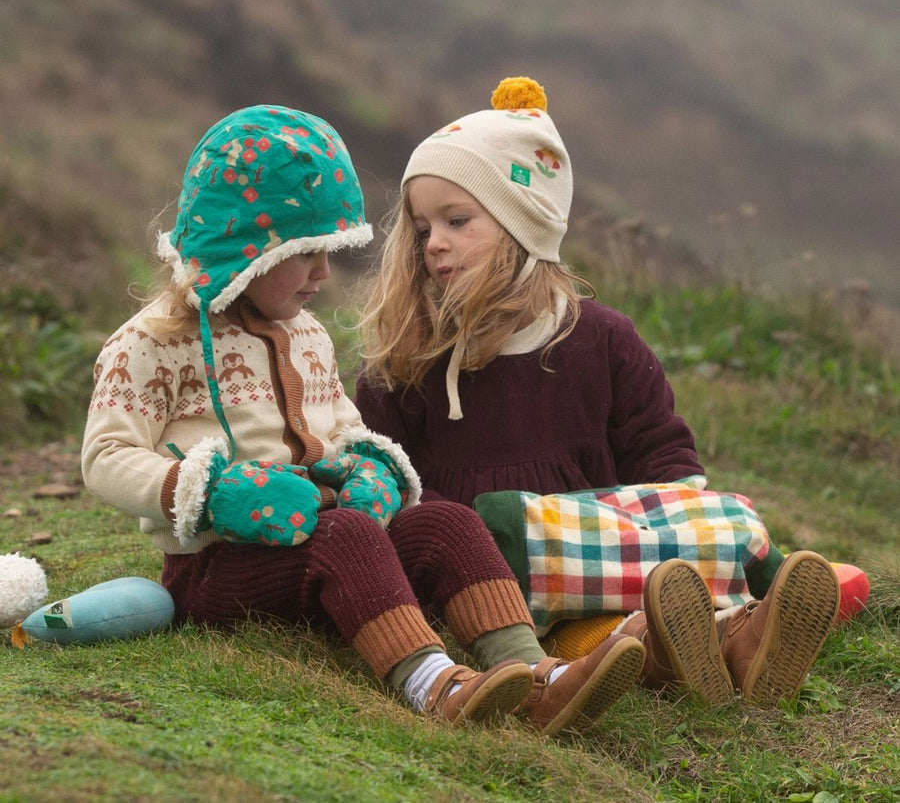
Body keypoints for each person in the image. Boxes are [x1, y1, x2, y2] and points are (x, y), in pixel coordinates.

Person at [81, 103, 647, 735]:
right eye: (308, 253)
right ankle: (438, 685)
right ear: (249, 250)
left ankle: (536, 676)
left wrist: (368, 466)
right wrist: (212, 493)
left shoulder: (307, 336)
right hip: (221, 567)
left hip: (323, 551)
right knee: (347, 537)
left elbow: (343, 428)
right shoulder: (152, 344)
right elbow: (105, 458)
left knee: (443, 522)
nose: (325, 273)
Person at [354, 77, 841, 707]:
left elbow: (662, 452)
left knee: (702, 530)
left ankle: (736, 641)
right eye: (422, 229)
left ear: (521, 223)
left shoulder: (603, 339)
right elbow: (383, 476)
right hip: (491, 577)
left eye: (457, 220)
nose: (434, 243)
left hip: (610, 561)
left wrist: (689, 521)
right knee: (550, 580)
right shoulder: (409, 356)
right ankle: (700, 637)